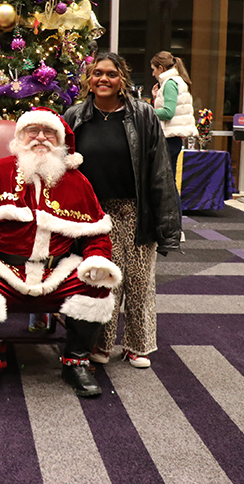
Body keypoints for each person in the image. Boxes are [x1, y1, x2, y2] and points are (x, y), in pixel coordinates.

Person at [0, 107, 122, 402]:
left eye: (49, 132)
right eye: (33, 131)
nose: (40, 138)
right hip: (3, 266)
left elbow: (96, 234)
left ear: (60, 140)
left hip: (57, 269)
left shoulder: (77, 182)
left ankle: (75, 363)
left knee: (96, 284)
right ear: (20, 137)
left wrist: (96, 260)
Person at [65, 52, 181, 370]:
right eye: (97, 73)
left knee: (139, 280)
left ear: (122, 80)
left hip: (136, 208)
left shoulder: (142, 115)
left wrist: (165, 218)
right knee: (105, 280)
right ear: (90, 78)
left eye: (111, 74)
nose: (104, 79)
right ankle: (100, 344)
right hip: (94, 214)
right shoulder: (76, 115)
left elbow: (160, 170)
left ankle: (136, 345)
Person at [150, 51, 198, 176]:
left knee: (166, 181)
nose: (153, 73)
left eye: (154, 69)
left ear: (160, 68)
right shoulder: (177, 81)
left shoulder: (169, 83)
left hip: (168, 139)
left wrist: (147, 111)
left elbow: (168, 113)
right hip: (173, 140)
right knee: (168, 181)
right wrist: (156, 98)